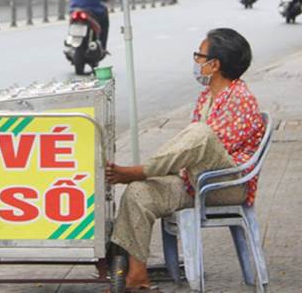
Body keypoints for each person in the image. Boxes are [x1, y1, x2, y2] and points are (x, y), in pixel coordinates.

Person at [106, 28, 265, 290]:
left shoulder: (240, 99)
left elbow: (204, 148)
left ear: (214, 65)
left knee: (200, 134)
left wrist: (160, 168)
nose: (196, 62)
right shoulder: (207, 97)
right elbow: (188, 155)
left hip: (225, 185)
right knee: (138, 192)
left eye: (199, 55)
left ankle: (142, 169)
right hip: (193, 181)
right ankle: (136, 275)